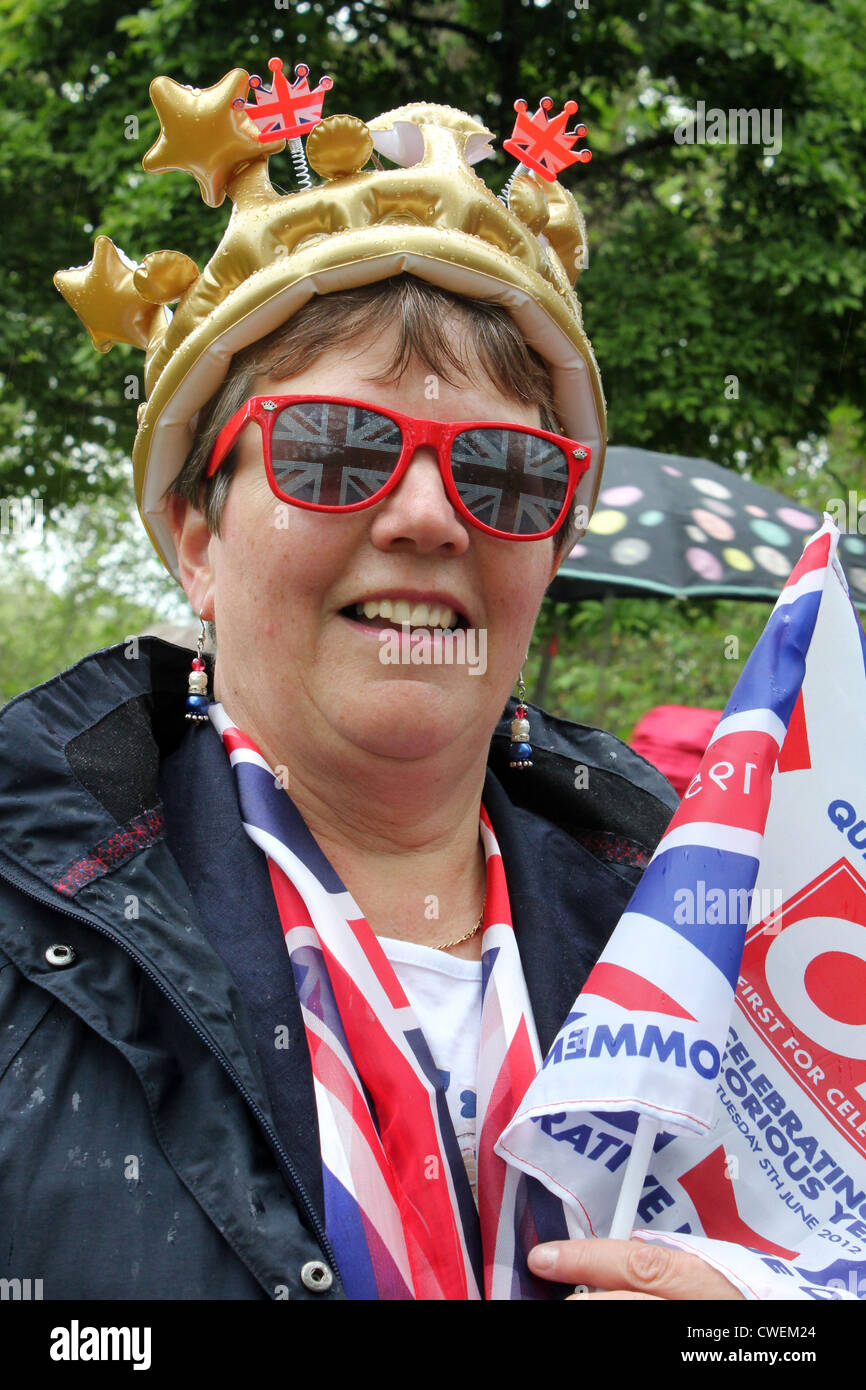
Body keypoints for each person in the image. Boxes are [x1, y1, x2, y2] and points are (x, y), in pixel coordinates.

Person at [0, 63, 744, 1300]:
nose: (426, 517)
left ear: (546, 550)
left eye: (500, 473)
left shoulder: (728, 935)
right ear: (197, 536)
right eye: (335, 448)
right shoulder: (29, 941)